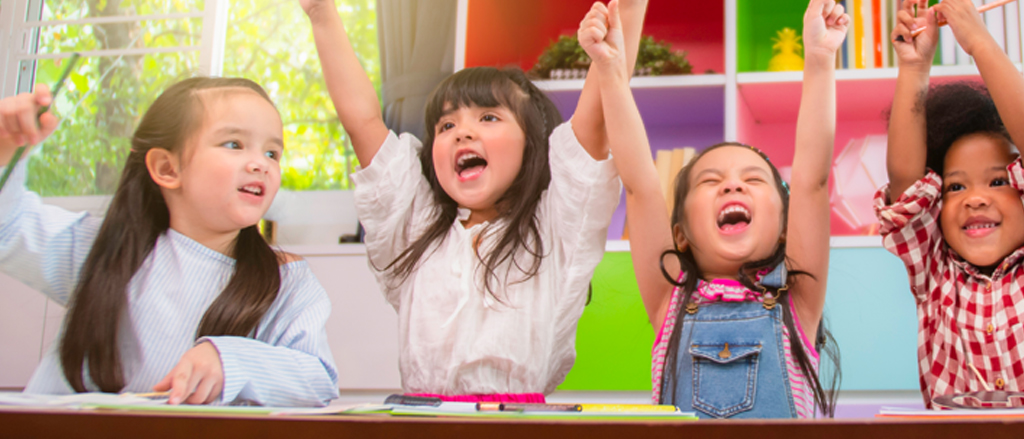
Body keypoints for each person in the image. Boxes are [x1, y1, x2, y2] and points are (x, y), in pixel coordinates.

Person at [300, 0, 647, 401]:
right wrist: (322, 14)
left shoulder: (556, 229)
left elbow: (599, 116)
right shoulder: (415, 227)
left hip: (515, 427)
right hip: (419, 424)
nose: (462, 133)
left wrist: (627, 15)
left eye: (488, 117)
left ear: (531, 145)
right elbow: (361, 121)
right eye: (446, 125)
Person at [0, 77, 339, 407]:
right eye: (234, 144)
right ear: (166, 167)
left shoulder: (288, 282)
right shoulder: (101, 247)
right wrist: (4, 150)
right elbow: (8, 225)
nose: (260, 164)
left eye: (272, 153)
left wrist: (231, 362)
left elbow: (318, 381)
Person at [581, 0, 846, 418]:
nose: (733, 183)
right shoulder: (669, 298)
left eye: (754, 179)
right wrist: (611, 72)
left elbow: (812, 183)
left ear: (784, 228)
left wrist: (819, 58)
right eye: (711, 181)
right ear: (681, 233)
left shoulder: (798, 298)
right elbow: (641, 188)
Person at [877, 0, 1024, 407]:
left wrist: (978, 41)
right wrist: (913, 67)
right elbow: (906, 184)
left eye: (998, 181)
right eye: (955, 187)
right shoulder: (935, 273)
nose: (975, 198)